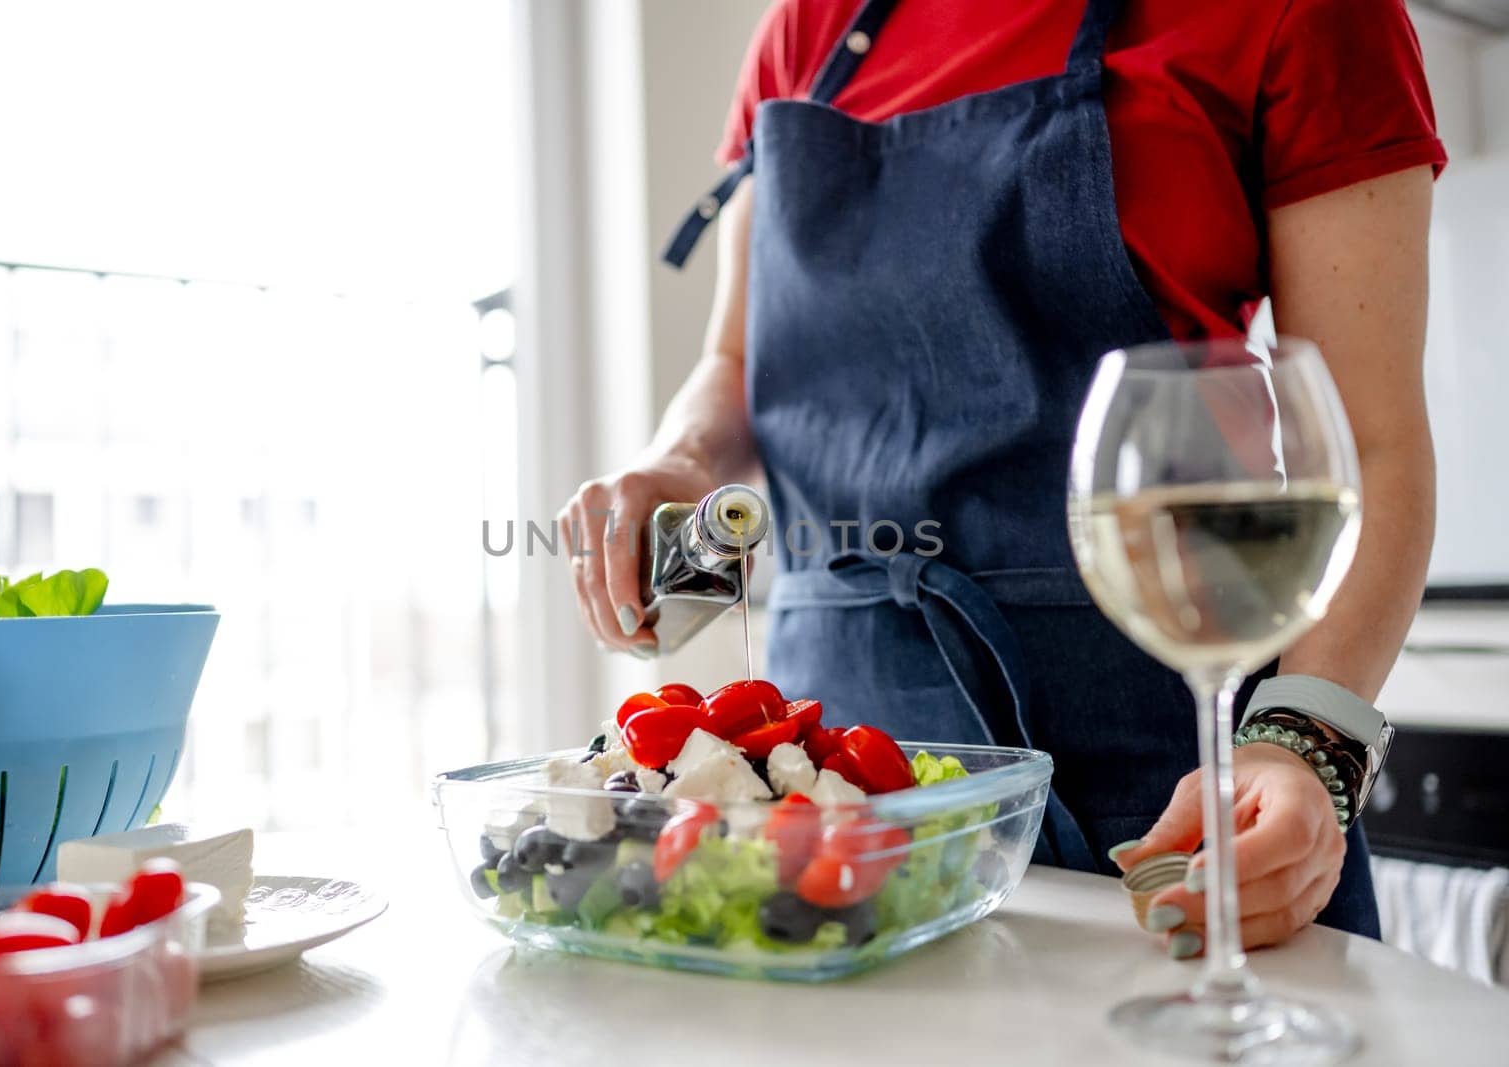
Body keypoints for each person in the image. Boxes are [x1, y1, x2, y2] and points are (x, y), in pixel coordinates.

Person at [558, 0, 1444, 958]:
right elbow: (734, 362)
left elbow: (1371, 446)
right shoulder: (807, 29)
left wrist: (1306, 742)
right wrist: (675, 461)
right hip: (826, 787)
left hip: (1167, 765)